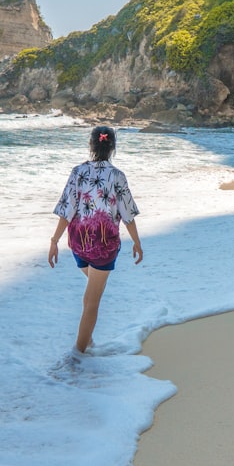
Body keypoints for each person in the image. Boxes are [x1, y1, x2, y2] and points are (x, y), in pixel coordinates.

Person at [49, 126, 142, 353]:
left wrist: (54, 240)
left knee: (90, 292)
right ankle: (77, 356)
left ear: (91, 145)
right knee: (93, 301)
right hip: (103, 245)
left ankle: (87, 339)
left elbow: (66, 209)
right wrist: (137, 242)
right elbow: (127, 214)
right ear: (112, 147)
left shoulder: (77, 171)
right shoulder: (117, 176)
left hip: (78, 243)